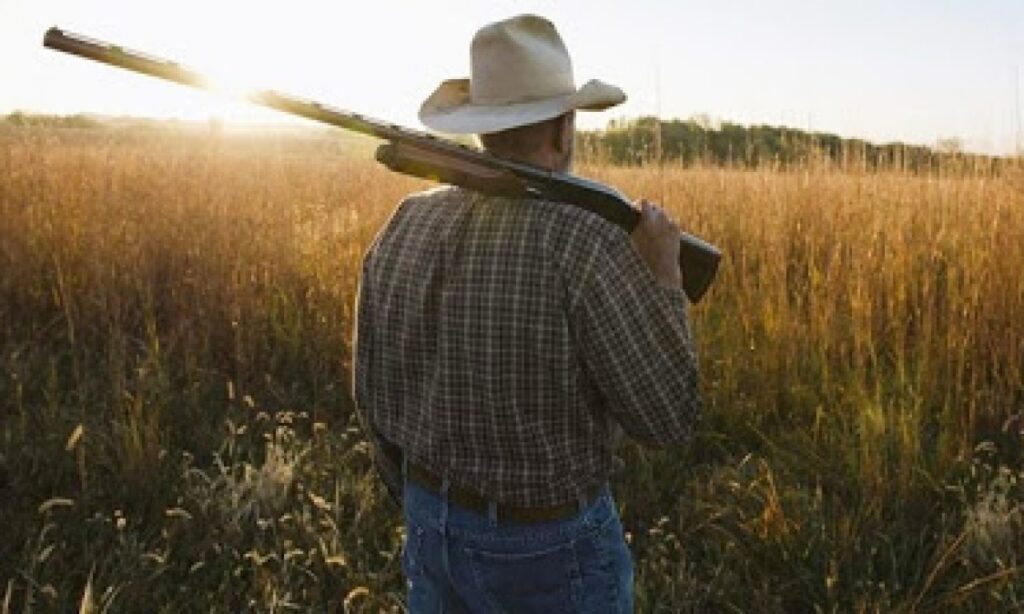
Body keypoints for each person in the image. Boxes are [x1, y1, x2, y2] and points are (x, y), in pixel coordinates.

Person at [352, 14, 701, 613]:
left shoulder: (405, 221)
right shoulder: (589, 240)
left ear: (483, 128)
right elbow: (667, 417)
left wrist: (422, 497)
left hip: (429, 519)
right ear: (566, 127)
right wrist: (664, 277)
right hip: (549, 549)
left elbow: (371, 392)